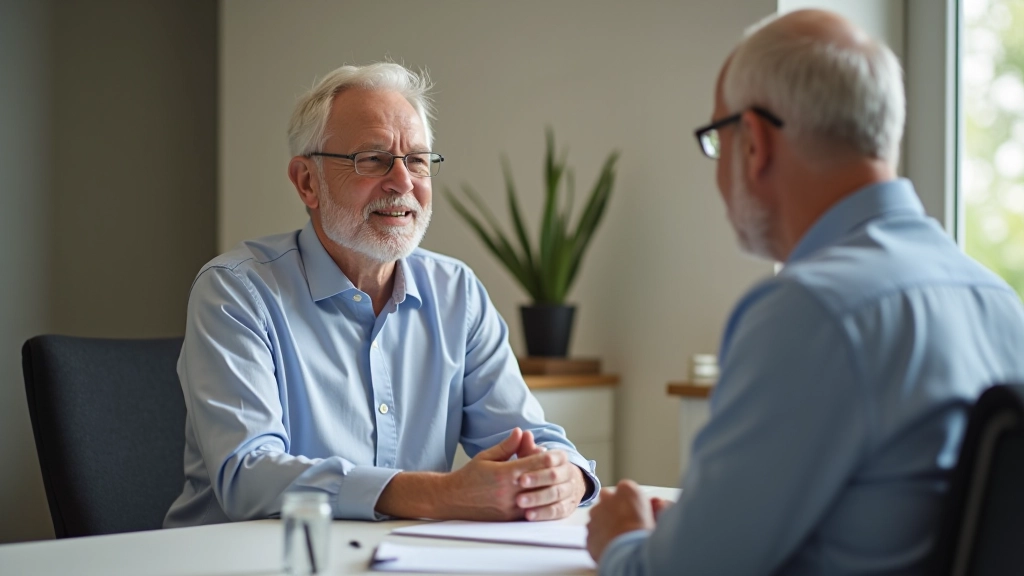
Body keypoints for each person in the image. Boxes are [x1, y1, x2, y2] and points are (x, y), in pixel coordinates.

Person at [587, 9, 1024, 575]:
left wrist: (622, 539)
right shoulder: (997, 302)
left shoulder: (812, 312)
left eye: (718, 138)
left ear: (756, 143)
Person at [164, 63, 598, 527]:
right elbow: (248, 474)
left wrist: (566, 477)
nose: (403, 182)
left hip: (399, 559)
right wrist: (442, 494)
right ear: (307, 182)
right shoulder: (236, 291)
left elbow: (528, 437)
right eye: (371, 159)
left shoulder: (458, 294)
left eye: (416, 159)